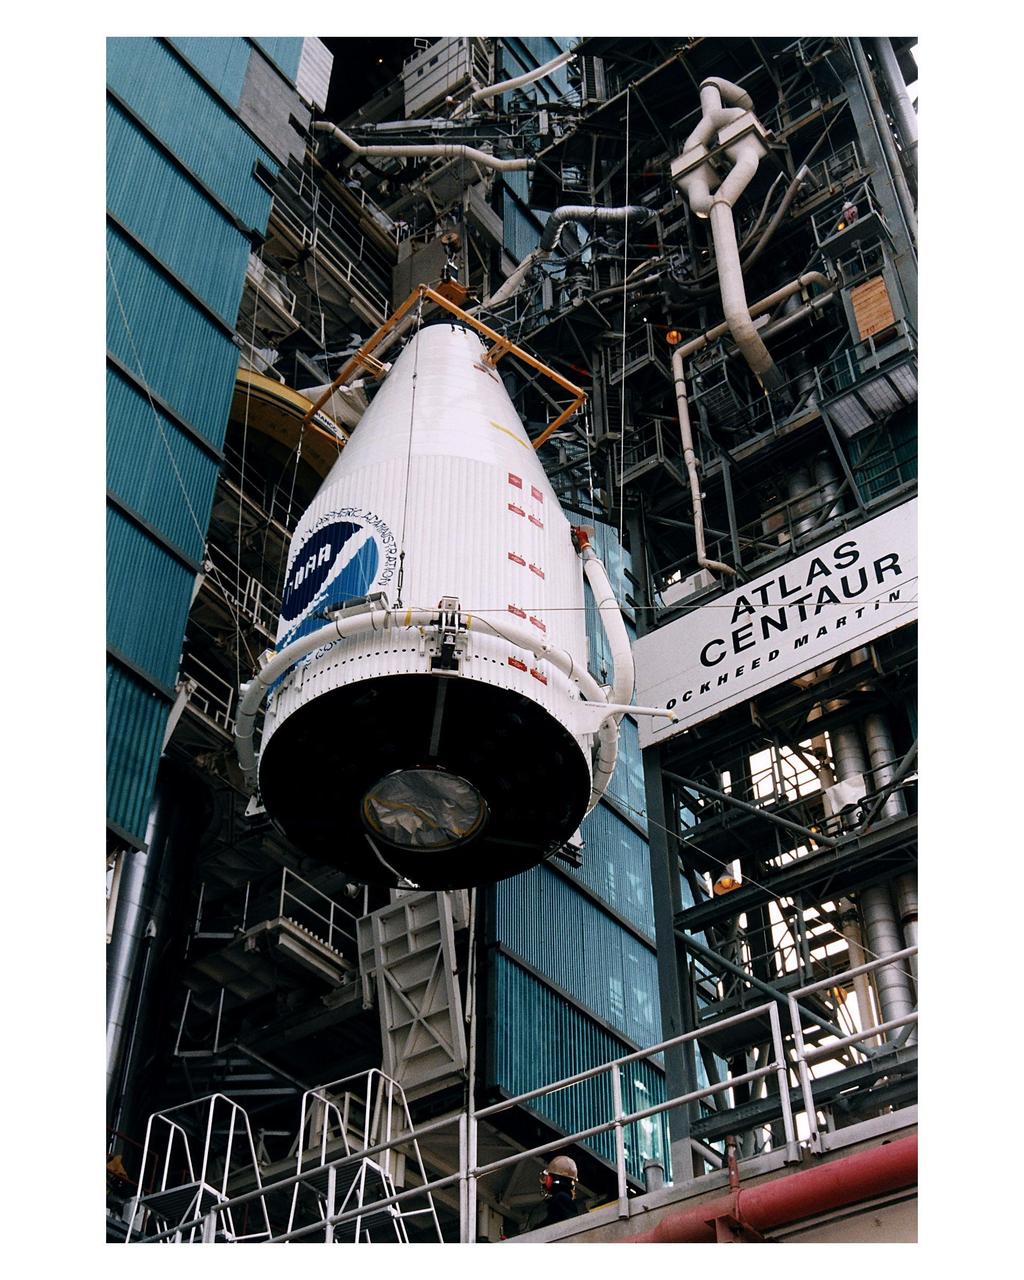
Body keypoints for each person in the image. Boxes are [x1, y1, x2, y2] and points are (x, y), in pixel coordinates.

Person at [521, 1154, 582, 1232]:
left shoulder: (561, 1198)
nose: (545, 1180)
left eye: (548, 1176)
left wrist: (533, 1232)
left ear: (551, 1179)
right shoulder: (562, 1199)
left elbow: (555, 1223)